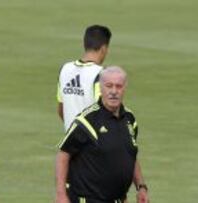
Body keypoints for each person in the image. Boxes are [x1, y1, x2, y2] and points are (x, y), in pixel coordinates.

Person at [55, 66, 149, 203]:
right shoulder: (87, 121)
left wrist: (141, 186)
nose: (114, 92)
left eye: (118, 86)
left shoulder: (129, 119)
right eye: (109, 86)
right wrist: (61, 195)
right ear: (101, 88)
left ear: (125, 88)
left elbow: (130, 154)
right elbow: (63, 155)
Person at [57, 25, 111, 131]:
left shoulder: (65, 69)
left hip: (70, 143)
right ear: (104, 49)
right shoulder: (102, 74)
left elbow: (61, 110)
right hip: (94, 144)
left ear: (84, 44)